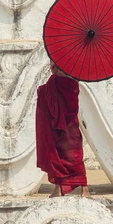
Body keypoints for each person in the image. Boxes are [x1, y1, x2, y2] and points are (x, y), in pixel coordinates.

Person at [36, 61, 90, 198]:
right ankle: (85, 190)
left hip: (56, 125)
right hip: (71, 125)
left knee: (57, 154)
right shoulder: (74, 74)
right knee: (75, 154)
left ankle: (58, 190)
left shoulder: (53, 80)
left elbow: (52, 75)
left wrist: (54, 68)